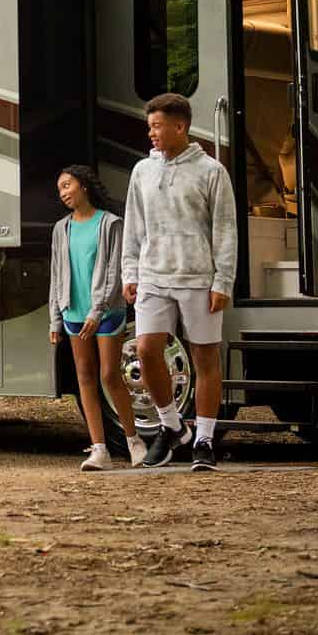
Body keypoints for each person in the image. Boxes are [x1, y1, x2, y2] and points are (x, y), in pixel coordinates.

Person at [122, 92, 239, 471]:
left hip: (199, 278)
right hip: (154, 275)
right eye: (149, 126)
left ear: (180, 126)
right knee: (145, 349)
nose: (151, 134)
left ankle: (204, 439)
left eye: (157, 126)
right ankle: (171, 427)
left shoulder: (211, 172)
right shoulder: (143, 171)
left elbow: (225, 230)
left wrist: (223, 281)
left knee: (205, 357)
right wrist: (130, 272)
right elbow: (134, 226)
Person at [47, 165, 142, 470]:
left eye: (67, 185)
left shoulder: (110, 223)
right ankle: (99, 449)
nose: (63, 193)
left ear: (84, 186)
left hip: (106, 312)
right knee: (84, 377)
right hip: (73, 313)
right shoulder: (61, 228)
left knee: (110, 376)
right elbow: (56, 274)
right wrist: (55, 320)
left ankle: (134, 441)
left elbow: (114, 271)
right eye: (60, 189)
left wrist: (97, 310)